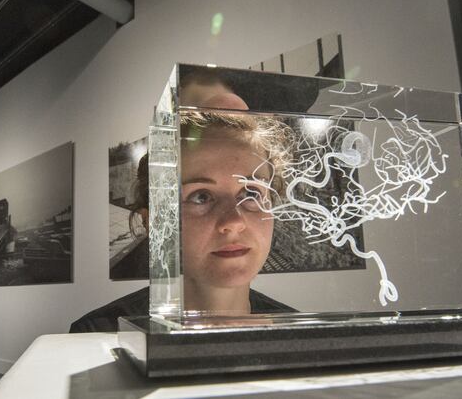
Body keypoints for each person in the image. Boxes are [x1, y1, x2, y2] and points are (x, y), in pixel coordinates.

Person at [71, 110, 295, 332]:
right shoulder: (98, 335)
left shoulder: (302, 335)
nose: (234, 221)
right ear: (153, 222)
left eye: (251, 194)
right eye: (201, 196)